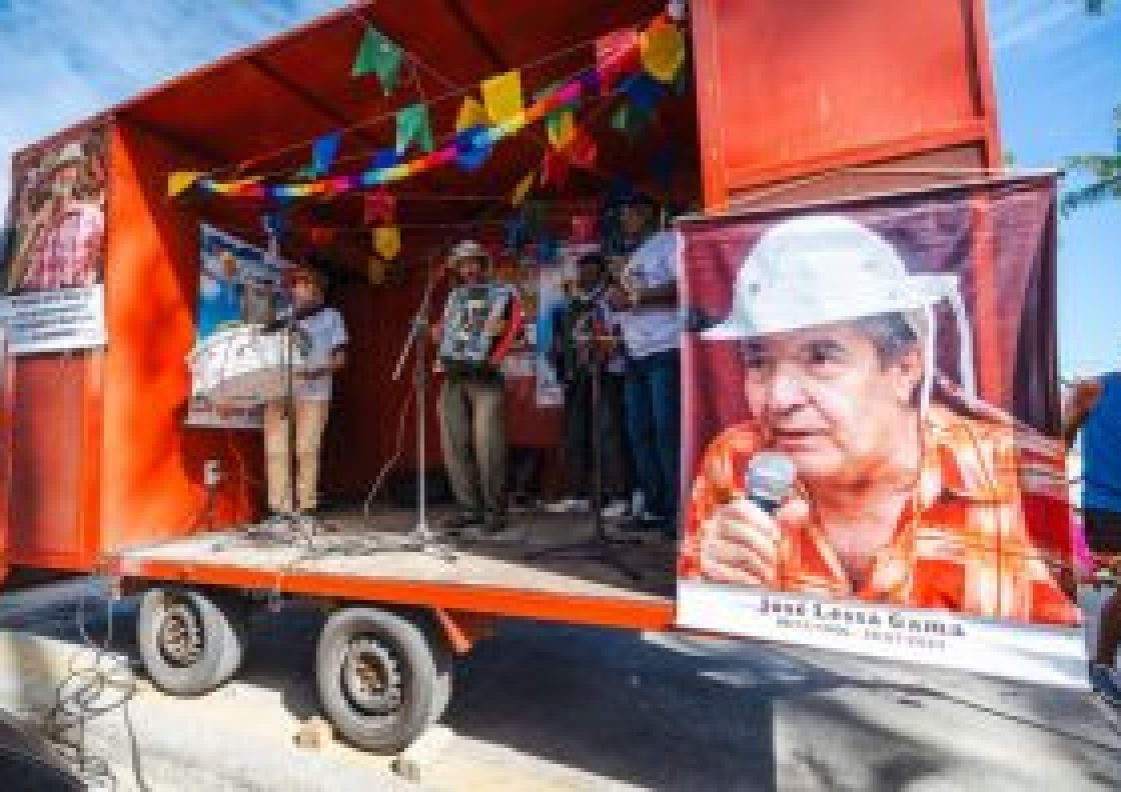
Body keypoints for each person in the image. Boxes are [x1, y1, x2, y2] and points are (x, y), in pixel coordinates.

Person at [681, 214, 1078, 626]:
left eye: (820, 356)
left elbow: (1064, 661)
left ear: (905, 368)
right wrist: (717, 593)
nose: (778, 398)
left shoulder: (1021, 474)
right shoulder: (735, 462)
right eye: (758, 360)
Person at [435, 240, 525, 541]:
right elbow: (450, 331)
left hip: (486, 375)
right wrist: (438, 336)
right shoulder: (454, 296)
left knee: (488, 445)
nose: (469, 269)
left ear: (484, 265)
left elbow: (517, 330)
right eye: (463, 264)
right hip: (453, 375)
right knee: (454, 444)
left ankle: (495, 511)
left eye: (474, 263)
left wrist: (496, 353)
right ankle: (468, 508)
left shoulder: (505, 294)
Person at [606, 193, 682, 538]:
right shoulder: (630, 256)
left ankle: (677, 512)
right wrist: (616, 303)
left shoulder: (669, 242)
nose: (625, 219)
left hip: (666, 347)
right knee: (639, 433)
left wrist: (637, 297)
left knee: (667, 432)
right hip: (635, 353)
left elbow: (685, 286)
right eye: (622, 214)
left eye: (630, 212)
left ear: (648, 213)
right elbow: (626, 299)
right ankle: (653, 507)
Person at [546, 252, 631, 517]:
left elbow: (619, 334)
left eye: (591, 270)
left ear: (602, 273)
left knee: (608, 434)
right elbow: (562, 338)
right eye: (582, 270)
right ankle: (578, 494)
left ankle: (617, 497)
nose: (585, 275)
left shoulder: (611, 298)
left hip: (605, 373)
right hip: (576, 375)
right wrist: (557, 351)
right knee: (575, 434)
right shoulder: (569, 303)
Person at [261, 265, 347, 526]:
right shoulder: (284, 316)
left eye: (304, 284)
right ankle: (279, 509)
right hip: (279, 390)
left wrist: (318, 371)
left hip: (315, 392)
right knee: (276, 448)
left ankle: (307, 508)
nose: (297, 289)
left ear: (318, 290)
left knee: (306, 450)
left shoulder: (332, 316)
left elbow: (340, 359)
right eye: (295, 284)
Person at [1063, 376, 1121, 706]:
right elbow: (1061, 439)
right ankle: (1102, 665)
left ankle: (1102, 664)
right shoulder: (1094, 389)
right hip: (1107, 508)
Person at [16, 142, 103, 292]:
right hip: (40, 309)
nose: (64, 175)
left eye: (71, 168)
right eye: (59, 170)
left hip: (73, 308)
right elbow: (25, 277)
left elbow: (98, 267)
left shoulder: (91, 216)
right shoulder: (41, 223)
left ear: (80, 174)